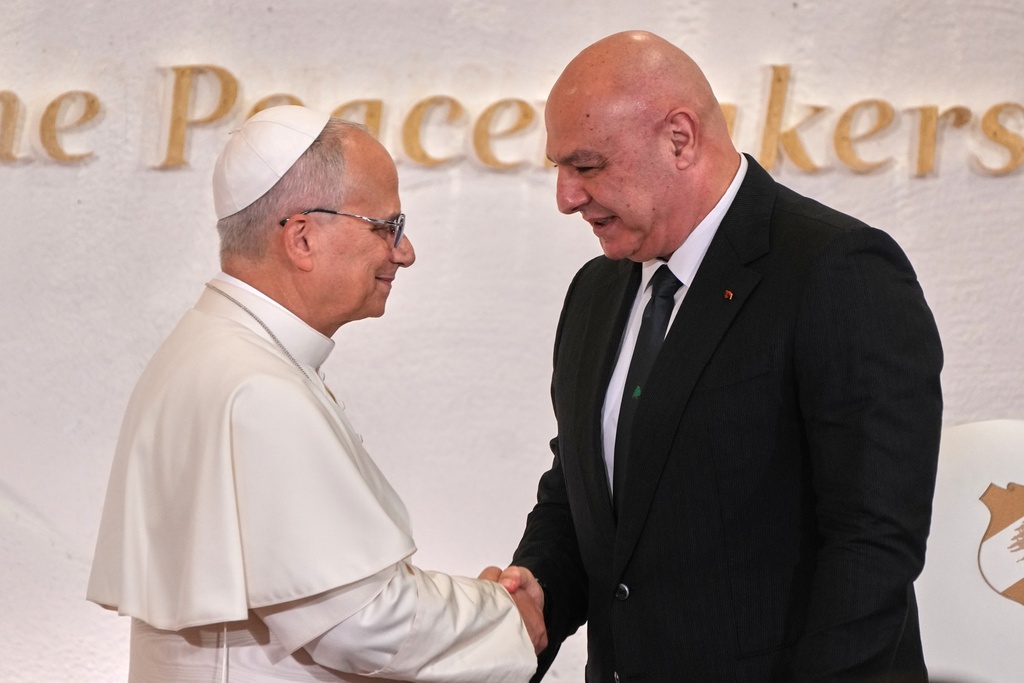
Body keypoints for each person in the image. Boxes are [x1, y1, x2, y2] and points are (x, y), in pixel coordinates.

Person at [494, 31, 944, 682]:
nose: (565, 196)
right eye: (559, 168)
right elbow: (580, 496)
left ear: (679, 138)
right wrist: (533, 597)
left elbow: (871, 544)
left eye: (586, 166)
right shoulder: (595, 291)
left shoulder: (841, 272)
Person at [87, 105, 544, 682]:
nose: (404, 252)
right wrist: (502, 615)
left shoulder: (217, 351)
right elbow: (364, 624)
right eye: (387, 227)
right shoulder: (255, 386)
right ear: (301, 238)